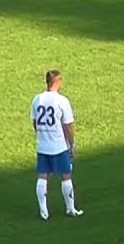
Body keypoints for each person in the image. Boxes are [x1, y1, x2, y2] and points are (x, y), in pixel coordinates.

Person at [31, 70, 82, 220]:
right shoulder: (62, 101)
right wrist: (72, 145)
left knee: (42, 176)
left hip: (42, 146)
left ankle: (43, 211)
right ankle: (70, 208)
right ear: (58, 82)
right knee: (66, 176)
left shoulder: (37, 99)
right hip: (59, 146)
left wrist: (42, 135)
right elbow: (68, 127)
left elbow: (35, 122)